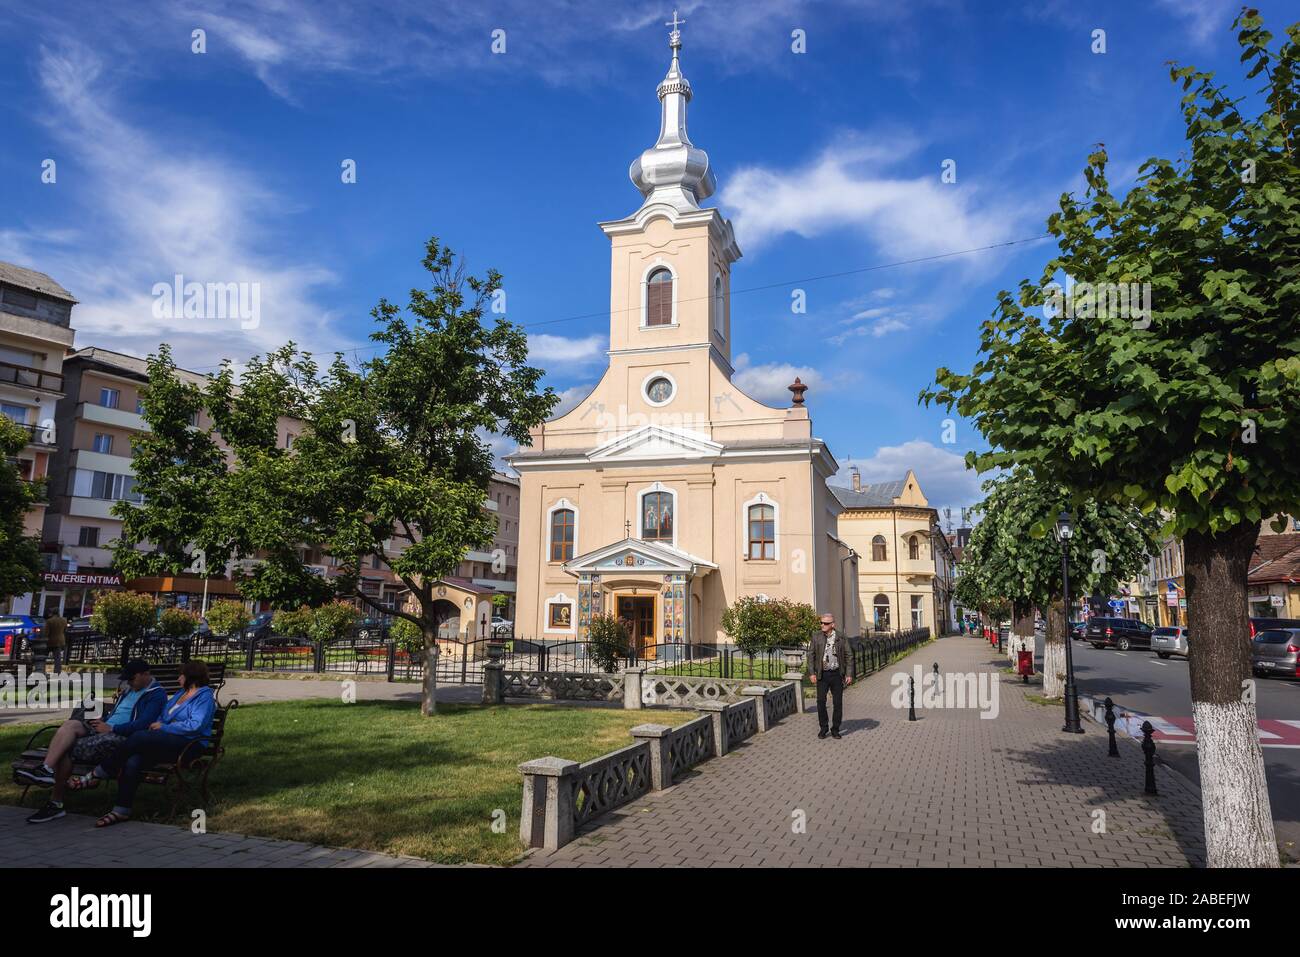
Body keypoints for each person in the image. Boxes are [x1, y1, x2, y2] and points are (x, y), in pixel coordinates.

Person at [22, 659, 166, 824]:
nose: (129, 682)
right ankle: (46, 769)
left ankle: (55, 803)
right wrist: (103, 720)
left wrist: (112, 728)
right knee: (71, 725)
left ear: (144, 674)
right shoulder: (129, 689)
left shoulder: (156, 694)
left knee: (65, 748)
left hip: (122, 737)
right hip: (106, 728)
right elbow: (118, 713)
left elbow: (143, 724)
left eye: (131, 679)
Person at [76, 660, 217, 828]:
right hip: (168, 740)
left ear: (191, 678)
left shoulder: (204, 697)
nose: (178, 679)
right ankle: (121, 809)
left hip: (190, 744)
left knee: (139, 737)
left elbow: (196, 725)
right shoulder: (181, 694)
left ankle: (100, 771)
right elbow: (163, 715)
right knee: (133, 759)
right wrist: (159, 725)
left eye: (181, 675)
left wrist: (165, 727)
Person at [807, 613, 853, 739]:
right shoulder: (816, 636)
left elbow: (849, 655)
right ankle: (823, 727)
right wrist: (811, 673)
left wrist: (848, 674)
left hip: (837, 674)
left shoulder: (841, 637)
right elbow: (811, 655)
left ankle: (835, 729)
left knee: (838, 703)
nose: (823, 625)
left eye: (826, 623)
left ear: (832, 625)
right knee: (821, 702)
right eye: (821, 622)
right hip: (822, 674)